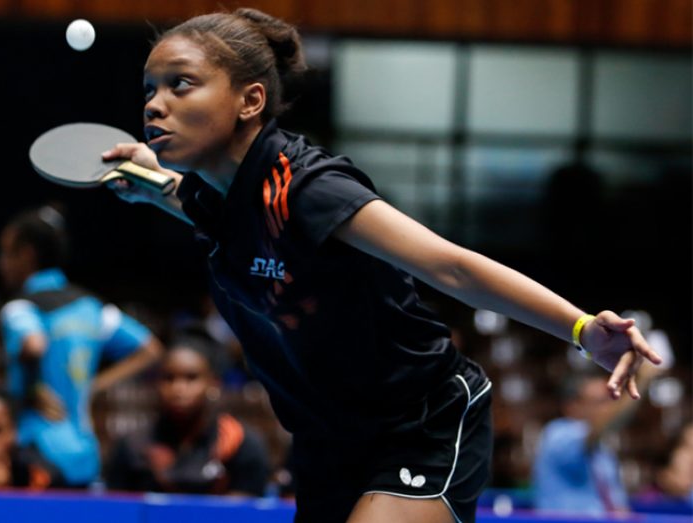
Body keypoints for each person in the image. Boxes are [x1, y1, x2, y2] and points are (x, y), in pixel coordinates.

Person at [99, 8, 663, 522]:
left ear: (250, 101)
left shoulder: (308, 188)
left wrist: (582, 329)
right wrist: (151, 182)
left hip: (419, 422)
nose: (155, 104)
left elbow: (451, 267)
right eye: (150, 88)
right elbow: (197, 203)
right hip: (327, 439)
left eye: (181, 84)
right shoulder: (211, 198)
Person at [0, 206, 163, 487]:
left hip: (36, 452)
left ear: (26, 254)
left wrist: (32, 388)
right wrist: (94, 386)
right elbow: (151, 350)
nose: (0, 262)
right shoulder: (91, 308)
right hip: (85, 455)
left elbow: (33, 344)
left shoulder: (20, 308)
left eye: (6, 252)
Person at [105, 330, 270, 495]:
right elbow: (118, 505)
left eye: (191, 378)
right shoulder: (132, 445)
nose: (178, 389)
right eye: (168, 378)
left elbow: (245, 507)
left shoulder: (239, 442)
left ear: (214, 384)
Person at [532, 363, 661, 515]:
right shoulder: (558, 434)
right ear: (572, 406)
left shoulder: (603, 450)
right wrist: (642, 380)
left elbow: (617, 506)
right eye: (599, 402)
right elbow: (602, 427)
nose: (608, 409)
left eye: (610, 400)